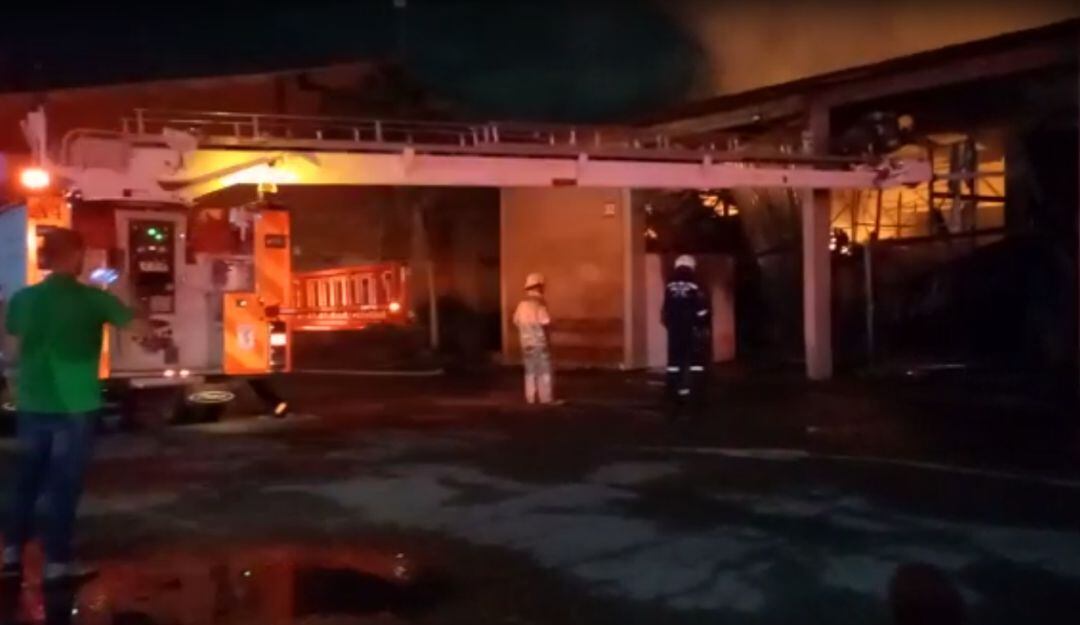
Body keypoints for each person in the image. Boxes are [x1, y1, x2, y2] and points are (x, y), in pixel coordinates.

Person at [1, 228, 151, 583]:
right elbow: (141, 329)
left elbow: (11, 352)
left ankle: (10, 554)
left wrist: (17, 385)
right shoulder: (94, 299)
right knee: (63, 485)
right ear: (74, 257)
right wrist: (121, 288)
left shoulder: (22, 299)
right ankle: (57, 563)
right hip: (76, 406)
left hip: (33, 402)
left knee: (26, 480)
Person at [661, 255, 711, 420]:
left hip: (675, 329)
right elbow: (701, 307)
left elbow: (666, 307)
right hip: (690, 328)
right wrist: (702, 323)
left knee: (674, 362)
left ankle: (673, 392)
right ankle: (694, 392)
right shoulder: (695, 284)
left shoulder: (669, 284)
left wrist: (669, 323)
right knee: (693, 361)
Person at [512, 273, 559, 405]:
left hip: (526, 344)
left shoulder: (521, 305)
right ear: (539, 287)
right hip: (540, 343)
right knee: (544, 371)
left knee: (530, 371)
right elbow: (546, 321)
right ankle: (546, 398)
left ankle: (530, 398)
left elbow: (515, 321)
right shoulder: (539, 304)